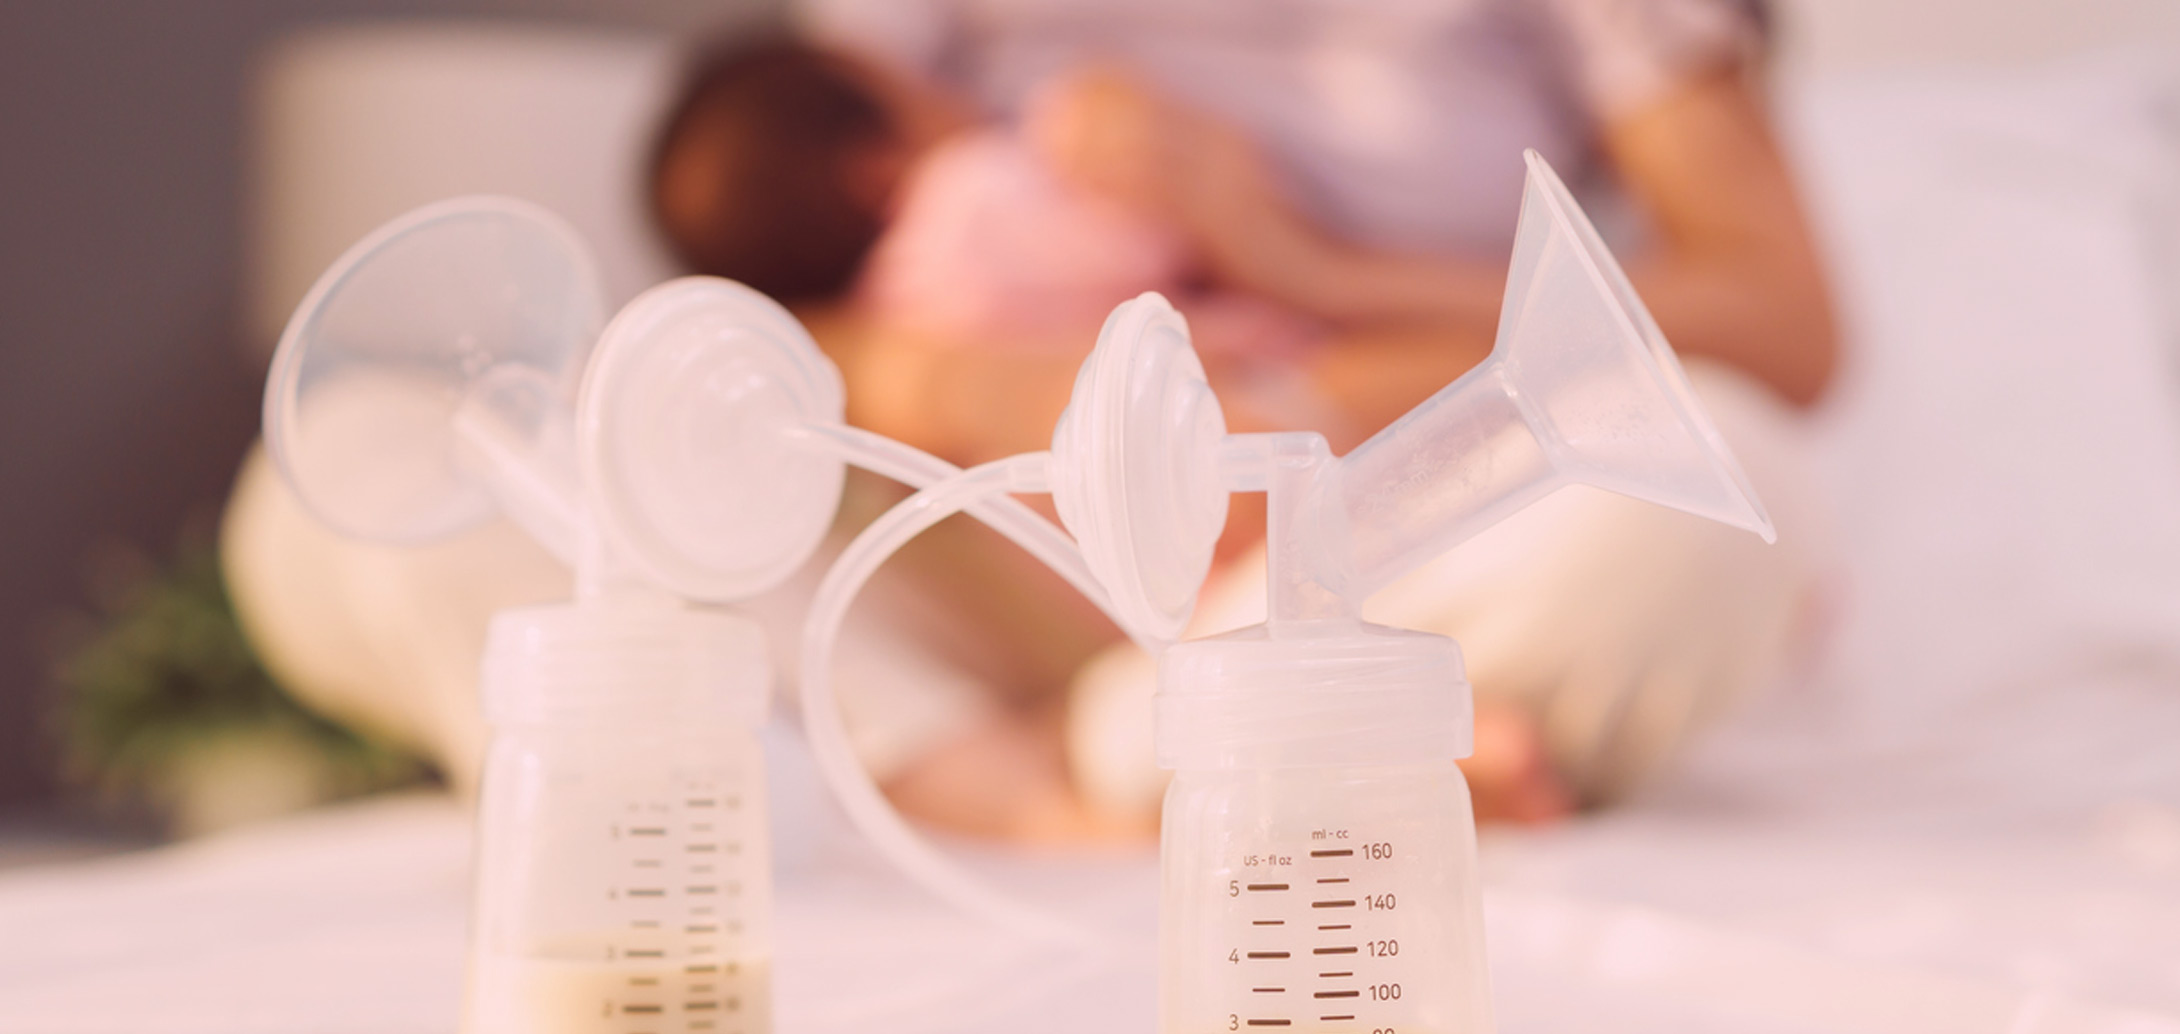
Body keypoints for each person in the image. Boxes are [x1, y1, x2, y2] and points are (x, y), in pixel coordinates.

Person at [641, 0, 1836, 829]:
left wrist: (1299, 262)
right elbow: (766, 315)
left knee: (1709, 479)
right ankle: (1204, 760)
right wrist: (972, 389)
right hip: (1007, 549)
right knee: (626, 461)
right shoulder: (894, 118)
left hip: (1377, 504)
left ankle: (1156, 751)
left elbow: (1783, 321)